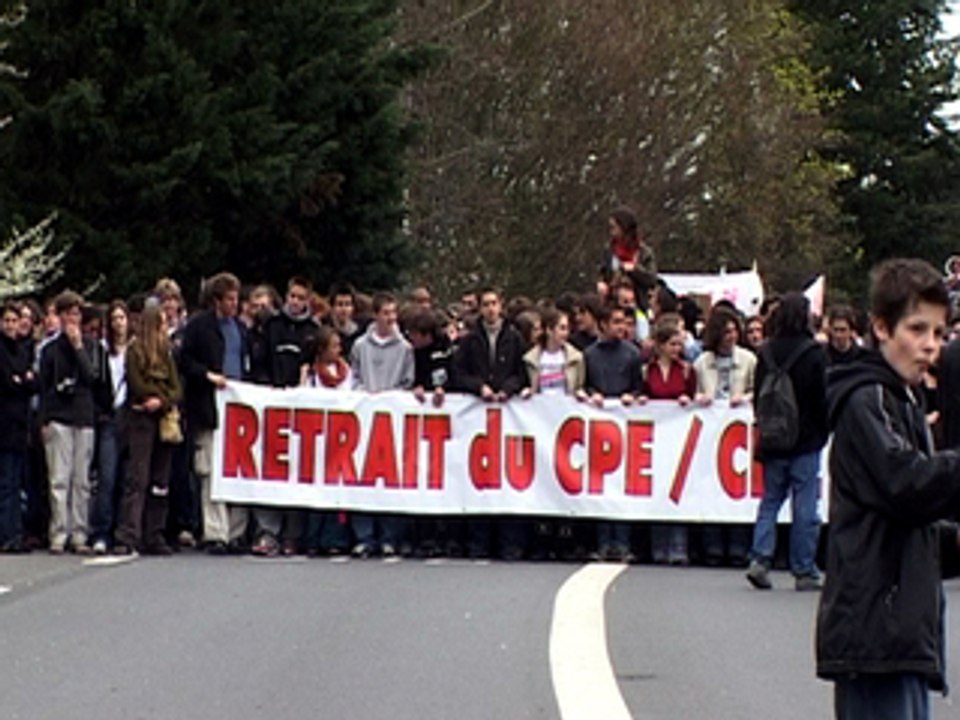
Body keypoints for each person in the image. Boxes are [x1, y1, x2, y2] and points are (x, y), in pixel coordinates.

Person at [816, 258, 960, 719]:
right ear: (881, 326)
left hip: (897, 630)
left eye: (938, 334)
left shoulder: (901, 398)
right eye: (917, 330)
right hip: (876, 631)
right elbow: (905, 484)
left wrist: (952, 541)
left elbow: (903, 516)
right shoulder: (868, 399)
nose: (929, 346)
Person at [745, 292, 828, 591]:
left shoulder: (765, 352)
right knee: (805, 503)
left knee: (770, 500)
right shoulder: (814, 353)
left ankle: (760, 558)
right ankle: (804, 569)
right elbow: (821, 398)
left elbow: (758, 395)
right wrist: (822, 430)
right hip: (805, 438)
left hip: (773, 436)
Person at [452, 287, 528, 559]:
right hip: (479, 418)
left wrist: (507, 389)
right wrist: (479, 387)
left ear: (501, 306)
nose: (490, 309)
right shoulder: (471, 340)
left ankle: (511, 543)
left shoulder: (515, 338)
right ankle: (478, 542)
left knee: (509, 479)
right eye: (485, 304)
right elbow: (458, 373)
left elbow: (522, 373)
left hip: (508, 417)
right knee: (480, 480)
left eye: (494, 303)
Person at [180, 272, 250, 554]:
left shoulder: (241, 329)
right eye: (230, 299)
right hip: (208, 407)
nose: (235, 304)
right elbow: (184, 360)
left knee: (237, 470)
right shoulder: (198, 327)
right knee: (210, 471)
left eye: (236, 298)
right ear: (217, 300)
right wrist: (207, 376)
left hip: (237, 409)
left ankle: (236, 532)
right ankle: (215, 531)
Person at [251, 276, 320, 557]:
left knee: (297, 473)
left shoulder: (313, 330)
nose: (295, 302)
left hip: (301, 410)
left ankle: (293, 534)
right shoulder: (273, 326)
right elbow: (261, 361)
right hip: (272, 406)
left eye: (301, 298)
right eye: (292, 296)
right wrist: (269, 387)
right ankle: (268, 532)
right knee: (269, 469)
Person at [349, 291, 415, 558]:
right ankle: (364, 536)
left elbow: (407, 381)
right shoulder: (360, 346)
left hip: (392, 420)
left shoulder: (405, 348)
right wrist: (363, 393)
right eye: (385, 313)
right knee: (362, 477)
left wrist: (392, 398)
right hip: (365, 418)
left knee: (390, 479)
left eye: (393, 313)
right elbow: (354, 376)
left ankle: (389, 536)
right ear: (376, 315)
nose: (390, 318)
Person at [114, 305, 182, 555]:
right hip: (140, 418)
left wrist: (161, 401)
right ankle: (129, 533)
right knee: (138, 477)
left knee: (160, 481)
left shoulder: (167, 353)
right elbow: (136, 382)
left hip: (163, 418)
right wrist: (153, 397)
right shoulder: (135, 351)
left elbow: (177, 388)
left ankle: (155, 532)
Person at [38, 291, 103, 554]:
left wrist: (78, 347)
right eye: (67, 314)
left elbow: (92, 378)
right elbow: (43, 387)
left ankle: (79, 532)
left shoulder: (91, 347)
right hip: (58, 416)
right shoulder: (50, 350)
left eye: (76, 314)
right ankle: (58, 532)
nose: (72, 319)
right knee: (59, 479)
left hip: (84, 416)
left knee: (82, 480)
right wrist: (43, 419)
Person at [522, 307, 586, 560]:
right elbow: (527, 381)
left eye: (566, 329)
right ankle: (542, 534)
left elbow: (580, 384)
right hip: (539, 422)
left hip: (565, 423)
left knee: (565, 475)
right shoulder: (531, 358)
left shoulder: (576, 358)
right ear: (548, 330)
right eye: (560, 328)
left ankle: (566, 533)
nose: (565, 333)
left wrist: (580, 393)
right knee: (542, 475)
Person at [694, 306, 756, 566]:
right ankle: (713, 546)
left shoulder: (750, 360)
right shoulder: (701, 363)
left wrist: (745, 399)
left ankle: (739, 546)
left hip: (739, 435)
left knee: (739, 489)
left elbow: (757, 389)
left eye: (734, 331)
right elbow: (695, 391)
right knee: (711, 487)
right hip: (710, 434)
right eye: (726, 331)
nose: (732, 336)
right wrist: (700, 399)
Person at [580, 304, 643, 562]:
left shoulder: (632, 354)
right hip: (599, 426)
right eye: (616, 322)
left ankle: (623, 542)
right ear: (603, 325)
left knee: (622, 485)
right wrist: (591, 394)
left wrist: (633, 396)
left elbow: (641, 387)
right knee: (601, 484)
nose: (621, 327)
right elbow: (583, 385)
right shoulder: (589, 355)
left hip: (625, 425)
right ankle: (605, 542)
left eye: (624, 323)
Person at [641, 314, 696, 565]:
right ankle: (658, 546)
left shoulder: (686, 371)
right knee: (656, 489)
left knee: (679, 490)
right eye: (672, 344)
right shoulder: (646, 370)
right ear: (661, 345)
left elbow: (696, 397)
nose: (677, 349)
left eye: (679, 344)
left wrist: (690, 399)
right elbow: (639, 391)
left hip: (679, 437)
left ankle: (678, 546)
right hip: (653, 438)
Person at [89, 300, 130, 554]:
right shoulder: (101, 350)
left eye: (122, 318)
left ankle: (122, 530)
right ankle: (101, 531)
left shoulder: (135, 351)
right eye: (114, 318)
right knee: (107, 476)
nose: (118, 323)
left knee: (128, 479)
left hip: (131, 416)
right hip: (109, 416)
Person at [0, 302, 37, 552]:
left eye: (15, 321)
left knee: (16, 483)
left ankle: (15, 533)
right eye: (7, 321)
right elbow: (8, 382)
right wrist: (20, 380)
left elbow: (32, 382)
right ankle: (6, 535)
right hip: (3, 424)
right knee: (6, 483)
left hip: (19, 424)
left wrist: (23, 380)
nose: (12, 326)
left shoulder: (22, 349)